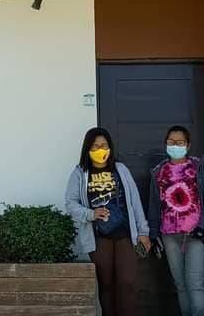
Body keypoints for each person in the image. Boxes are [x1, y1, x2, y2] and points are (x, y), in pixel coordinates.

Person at [65, 127, 151, 316]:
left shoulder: (120, 169)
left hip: (126, 234)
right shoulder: (80, 173)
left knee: (127, 283)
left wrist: (143, 231)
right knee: (106, 285)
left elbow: (135, 201)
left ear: (110, 147)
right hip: (98, 237)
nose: (100, 149)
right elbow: (70, 203)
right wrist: (91, 214)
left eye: (104, 145)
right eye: (95, 146)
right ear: (87, 148)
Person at [148, 125, 204, 316]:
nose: (175, 145)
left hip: (196, 234)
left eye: (180, 142)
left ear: (188, 145)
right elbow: (154, 205)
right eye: (171, 142)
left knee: (195, 284)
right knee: (180, 285)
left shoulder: (199, 167)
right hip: (169, 236)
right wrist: (153, 234)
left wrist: (203, 225)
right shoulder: (159, 172)